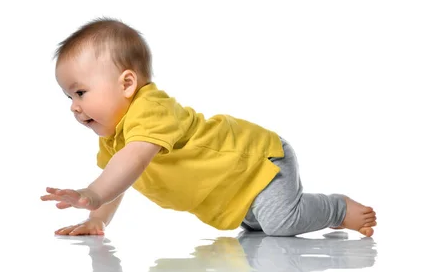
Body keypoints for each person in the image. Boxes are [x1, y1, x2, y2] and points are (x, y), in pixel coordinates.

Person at [40, 17, 377, 237]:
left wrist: (92, 193)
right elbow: (122, 180)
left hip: (257, 163)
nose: (74, 106)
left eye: (81, 92)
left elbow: (132, 162)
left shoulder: (150, 107)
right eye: (69, 96)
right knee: (261, 231)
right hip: (237, 195)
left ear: (127, 83)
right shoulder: (115, 141)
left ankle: (338, 208)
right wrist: (98, 217)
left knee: (280, 224)